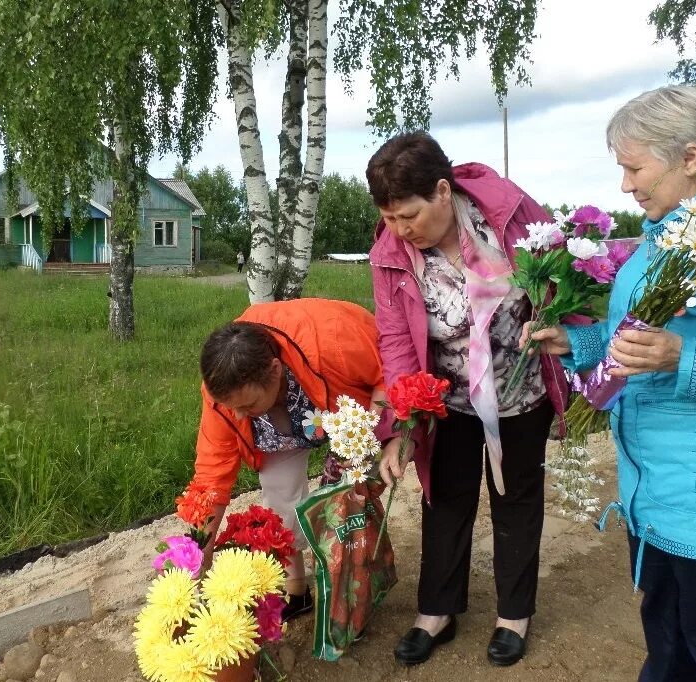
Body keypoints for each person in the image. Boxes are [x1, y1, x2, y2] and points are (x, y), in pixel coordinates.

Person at [526, 85, 696, 681]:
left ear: (689, 157)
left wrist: (686, 359)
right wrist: (581, 344)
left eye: (633, 167)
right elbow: (648, 332)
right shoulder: (670, 230)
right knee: (669, 645)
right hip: (660, 488)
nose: (625, 185)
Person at [366, 131, 572, 667]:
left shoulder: (510, 215)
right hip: (448, 398)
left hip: (520, 388)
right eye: (388, 218)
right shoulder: (390, 252)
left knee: (517, 498)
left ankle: (513, 614)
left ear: (442, 191)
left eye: (407, 215)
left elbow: (561, 286)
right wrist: (401, 428)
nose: (399, 230)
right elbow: (395, 341)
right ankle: (437, 611)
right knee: (446, 498)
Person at [189, 297, 385, 622]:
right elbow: (212, 473)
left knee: (340, 501)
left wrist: (365, 434)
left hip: (344, 410)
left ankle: (349, 598)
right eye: (231, 407)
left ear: (275, 371)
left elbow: (389, 370)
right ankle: (297, 590)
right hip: (280, 432)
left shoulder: (335, 338)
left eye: (247, 405)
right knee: (278, 498)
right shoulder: (223, 390)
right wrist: (202, 541)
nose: (237, 415)